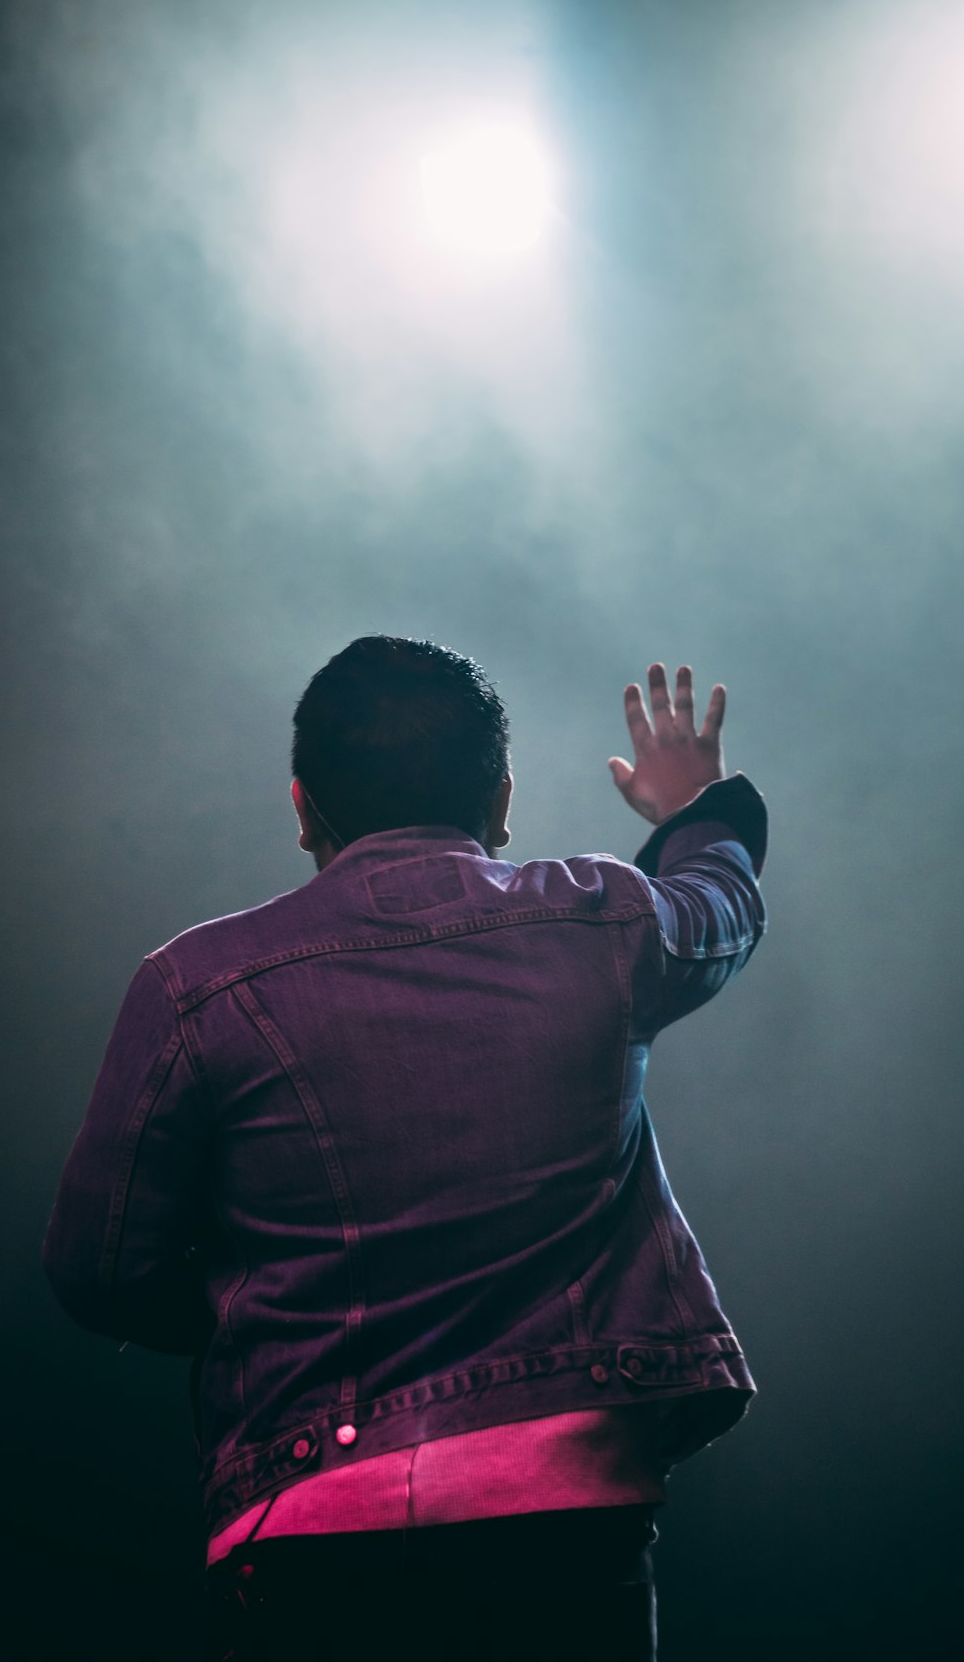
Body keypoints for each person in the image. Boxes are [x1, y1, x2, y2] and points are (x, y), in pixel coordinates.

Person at [44, 636, 767, 1661]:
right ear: (502, 794)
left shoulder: (195, 987)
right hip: (564, 1517)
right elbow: (720, 911)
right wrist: (701, 805)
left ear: (301, 806)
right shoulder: (599, 919)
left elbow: (98, 1270)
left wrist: (253, 1298)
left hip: (310, 1531)